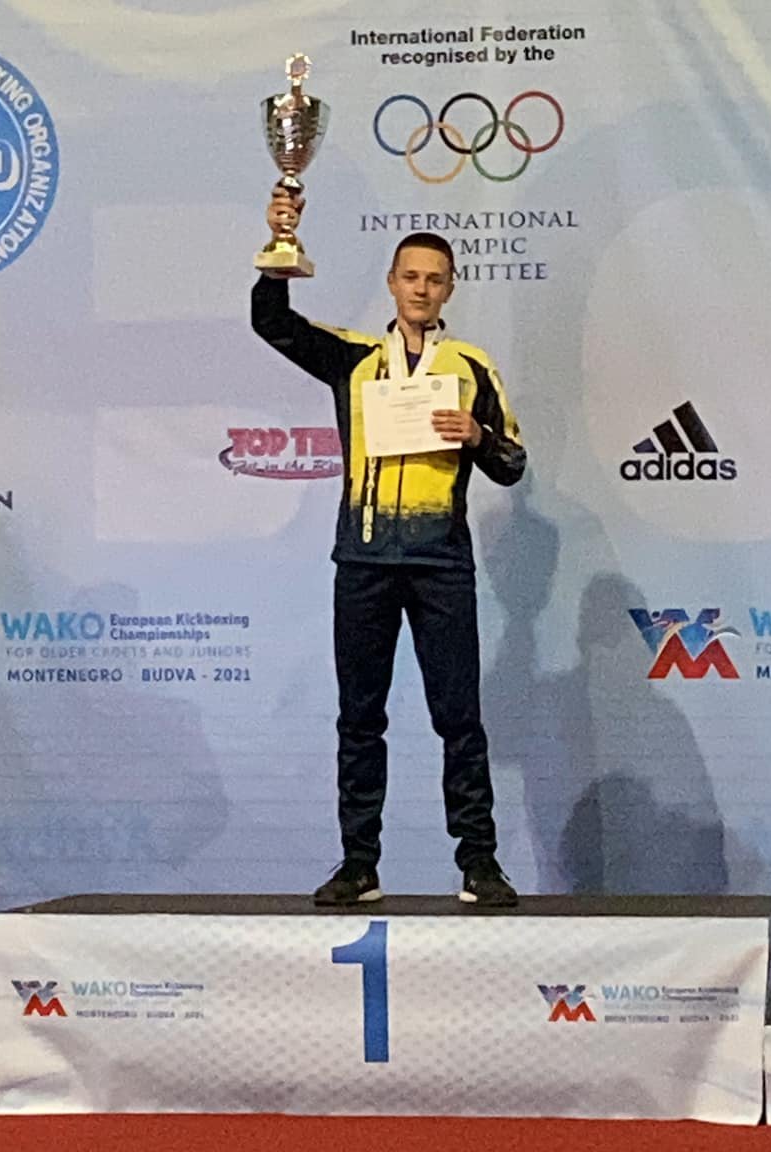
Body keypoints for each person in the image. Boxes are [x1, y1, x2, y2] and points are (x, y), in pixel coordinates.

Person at [252, 186, 526, 907]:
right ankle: (358, 865)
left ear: (450, 289)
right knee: (359, 718)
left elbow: (512, 462)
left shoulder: (471, 365)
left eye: (434, 279)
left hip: (440, 562)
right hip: (365, 562)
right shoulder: (354, 356)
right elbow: (271, 323)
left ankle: (480, 864)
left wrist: (478, 436)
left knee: (458, 718)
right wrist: (279, 249)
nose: (421, 289)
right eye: (410, 276)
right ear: (392, 283)